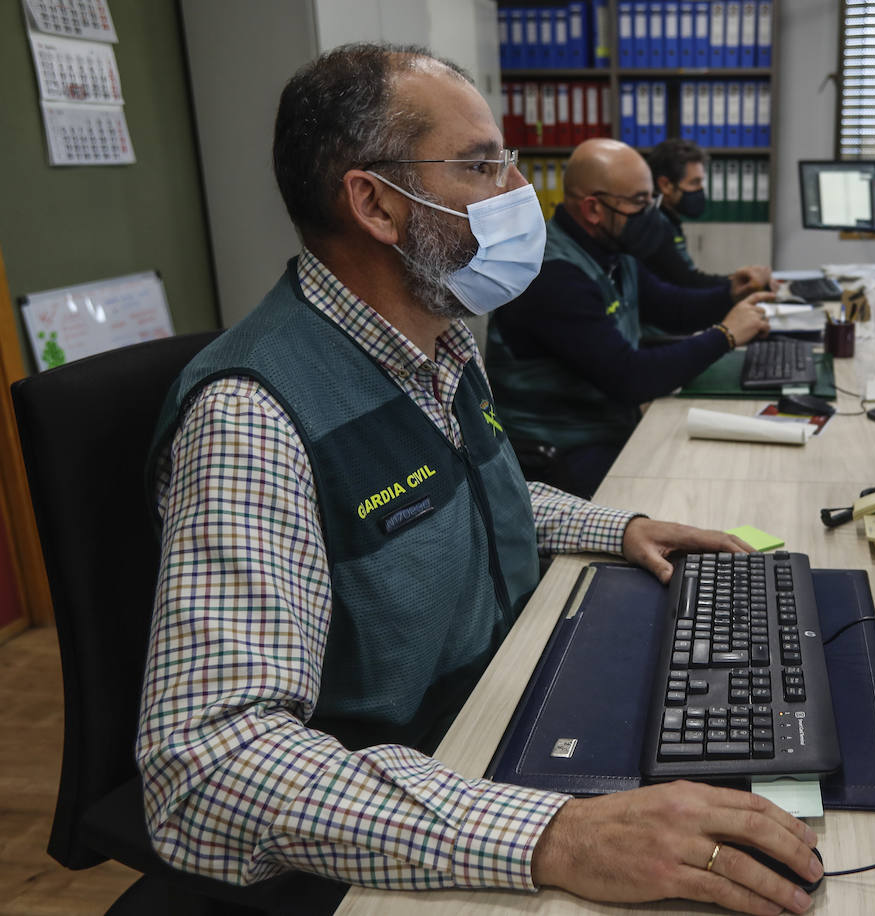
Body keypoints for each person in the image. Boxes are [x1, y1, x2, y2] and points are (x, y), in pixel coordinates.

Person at [137, 43, 821, 916]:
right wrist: (557, 836)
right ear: (376, 203)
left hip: (502, 699)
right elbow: (207, 767)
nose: (518, 192)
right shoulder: (250, 417)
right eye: (479, 164)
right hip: (405, 801)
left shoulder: (438, 342)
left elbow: (462, 494)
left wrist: (616, 528)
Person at [486, 138, 774, 498]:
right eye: (640, 202)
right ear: (594, 209)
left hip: (604, 428)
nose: (651, 213)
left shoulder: (612, 251)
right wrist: (726, 335)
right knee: (692, 492)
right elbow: (630, 377)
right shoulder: (553, 275)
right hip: (555, 455)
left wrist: (731, 292)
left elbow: (670, 307)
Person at [643, 138, 773, 297]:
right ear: (665, 185)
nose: (701, 190)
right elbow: (687, 282)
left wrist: (738, 281)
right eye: (694, 182)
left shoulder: (668, 220)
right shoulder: (655, 225)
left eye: (701, 182)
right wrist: (740, 284)